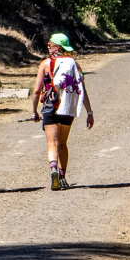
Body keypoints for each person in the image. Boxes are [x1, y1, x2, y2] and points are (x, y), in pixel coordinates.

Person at [31, 33, 94, 190]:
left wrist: (34, 111)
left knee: (52, 143)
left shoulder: (45, 64)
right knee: (63, 143)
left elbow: (37, 90)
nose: (48, 47)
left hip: (50, 106)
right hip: (67, 108)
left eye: (50, 44)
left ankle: (53, 168)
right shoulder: (75, 65)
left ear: (57, 47)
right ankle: (62, 176)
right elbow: (81, 90)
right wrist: (89, 112)